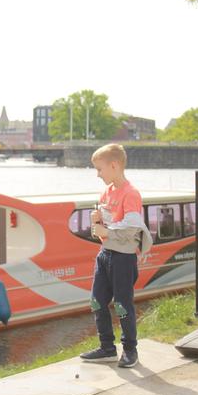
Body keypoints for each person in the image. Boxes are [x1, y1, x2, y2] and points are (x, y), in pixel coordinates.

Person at [79, 144, 152, 368]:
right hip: (105, 254)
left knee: (122, 304)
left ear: (114, 165)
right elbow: (106, 223)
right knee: (96, 301)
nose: (97, 174)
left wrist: (106, 231)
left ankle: (130, 350)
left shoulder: (131, 193)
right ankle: (107, 347)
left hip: (123, 257)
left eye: (99, 169)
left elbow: (131, 226)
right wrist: (97, 220)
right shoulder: (107, 192)